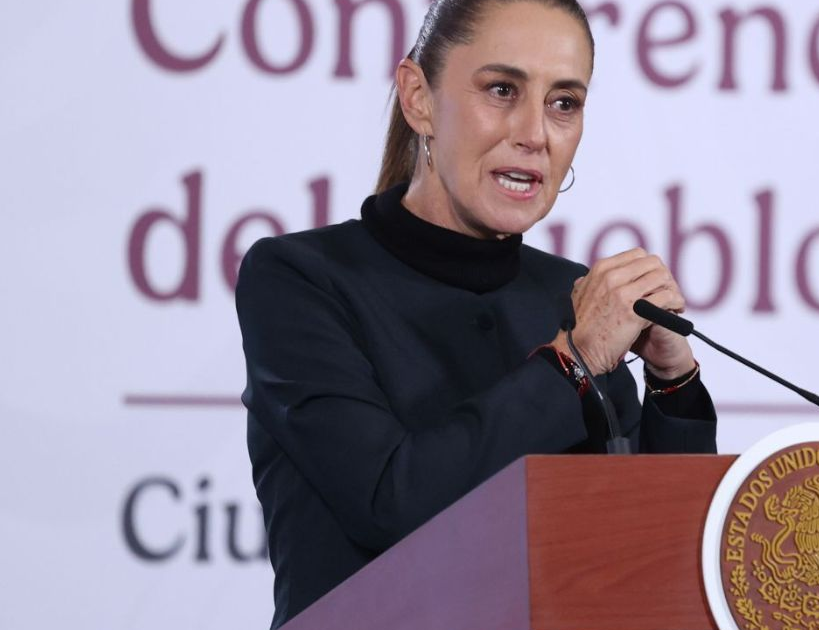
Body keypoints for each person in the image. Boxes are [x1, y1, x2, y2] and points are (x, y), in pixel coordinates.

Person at [235, 0, 717, 627]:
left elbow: (657, 558)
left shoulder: (573, 296)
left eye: (563, 103)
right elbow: (392, 503)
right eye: (501, 89)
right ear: (419, 98)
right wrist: (574, 362)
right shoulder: (301, 279)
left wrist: (673, 385)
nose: (536, 133)